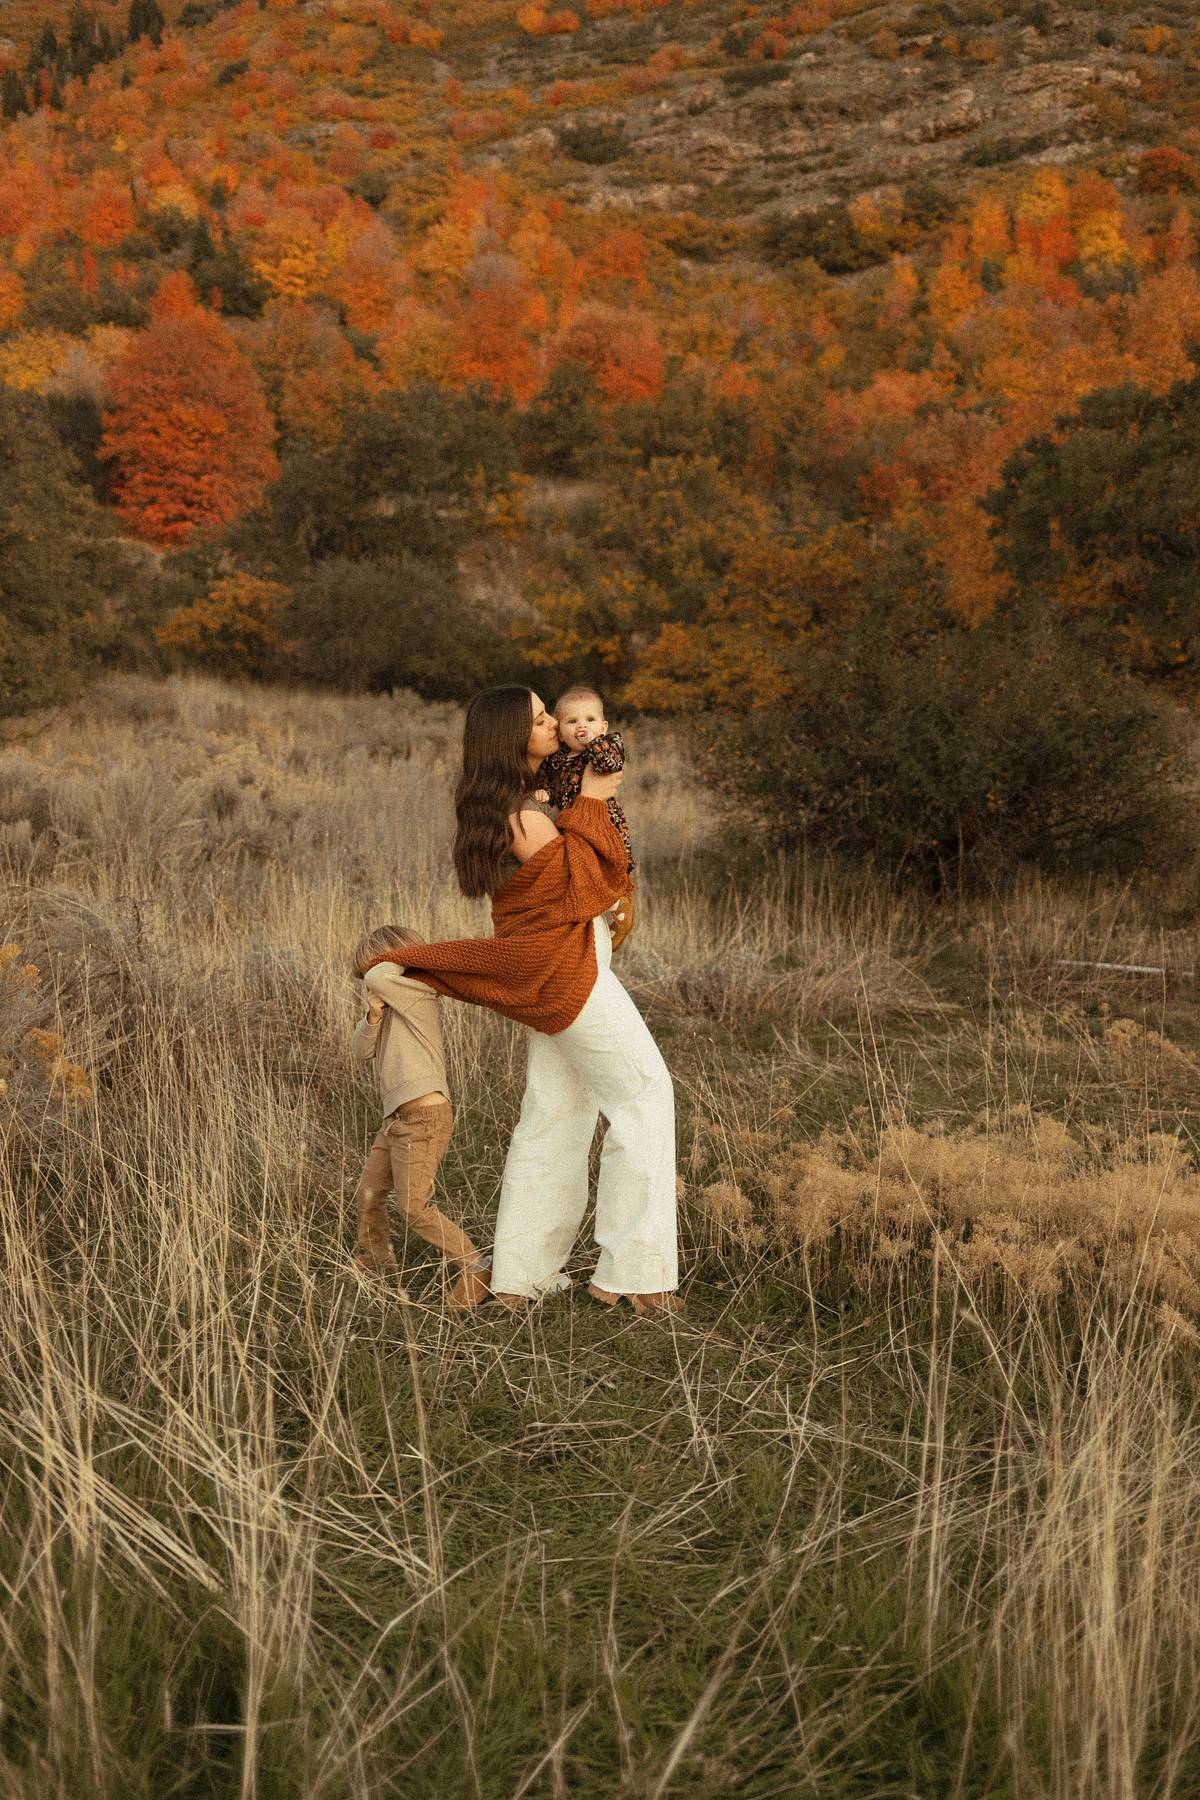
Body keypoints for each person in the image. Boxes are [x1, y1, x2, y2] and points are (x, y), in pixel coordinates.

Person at [361, 687, 680, 1317]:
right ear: (512, 740)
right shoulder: (526, 817)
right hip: (566, 973)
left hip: (566, 965)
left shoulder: (529, 802)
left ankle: (518, 1279)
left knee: (556, 1111)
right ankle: (635, 1275)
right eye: (539, 720)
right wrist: (597, 797)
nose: (553, 726)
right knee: (645, 1096)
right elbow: (584, 889)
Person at [349, 923, 492, 1310]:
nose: (370, 984)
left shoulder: (418, 994)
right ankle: (378, 1258)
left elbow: (380, 972)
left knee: (414, 1206)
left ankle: (476, 1265)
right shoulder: (391, 1006)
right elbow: (360, 1050)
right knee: (369, 1192)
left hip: (424, 1117)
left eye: (371, 975)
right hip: (395, 1120)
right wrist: (372, 1016)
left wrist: (382, 969)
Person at [534, 684, 636, 948]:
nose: (582, 726)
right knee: (581, 868)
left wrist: (595, 743)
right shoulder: (556, 758)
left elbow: (609, 764)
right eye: (572, 721)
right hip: (571, 821)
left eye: (590, 720)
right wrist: (543, 789)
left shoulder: (608, 744)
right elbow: (546, 776)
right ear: (560, 730)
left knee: (604, 863)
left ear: (603, 726)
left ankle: (620, 908)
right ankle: (600, 914)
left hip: (603, 821)